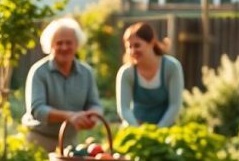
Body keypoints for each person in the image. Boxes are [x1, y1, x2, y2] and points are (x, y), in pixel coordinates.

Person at [21, 17, 103, 151]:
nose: (64, 47)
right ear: (50, 46)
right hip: (39, 142)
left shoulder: (86, 73)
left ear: (77, 45)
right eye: (59, 43)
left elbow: (94, 103)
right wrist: (70, 116)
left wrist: (93, 115)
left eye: (69, 42)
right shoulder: (39, 72)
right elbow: (37, 110)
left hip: (70, 143)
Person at [116, 22, 184, 128]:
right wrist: (138, 130)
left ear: (151, 42)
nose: (133, 51)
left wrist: (158, 130)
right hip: (135, 127)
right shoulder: (127, 72)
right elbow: (124, 109)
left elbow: (174, 106)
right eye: (129, 47)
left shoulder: (171, 67)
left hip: (166, 129)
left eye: (137, 45)